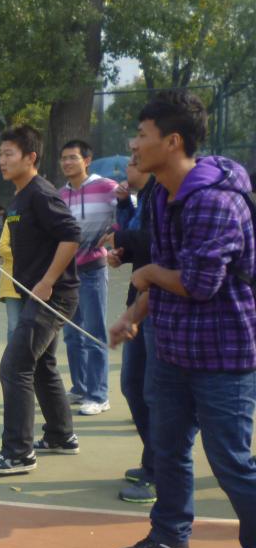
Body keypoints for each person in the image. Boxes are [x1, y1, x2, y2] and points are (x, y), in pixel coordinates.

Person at [109, 90, 256, 548]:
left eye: (142, 135)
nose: (134, 144)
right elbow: (172, 275)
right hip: (173, 350)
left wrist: (147, 273)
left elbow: (198, 283)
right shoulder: (162, 195)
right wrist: (132, 316)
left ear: (172, 142)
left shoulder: (213, 200)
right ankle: (170, 534)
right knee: (167, 448)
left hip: (223, 356)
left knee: (232, 463)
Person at [0, 125, 81, 476]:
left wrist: (47, 281)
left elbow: (71, 235)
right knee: (42, 365)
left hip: (52, 298)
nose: (2, 160)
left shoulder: (40, 193)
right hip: (33, 296)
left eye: (8, 154)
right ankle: (61, 435)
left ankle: (18, 453)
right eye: (0, 154)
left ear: (31, 157)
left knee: (14, 367)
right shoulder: (19, 196)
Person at [102, 160, 157, 503]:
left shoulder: (171, 193)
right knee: (134, 384)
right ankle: (154, 462)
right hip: (140, 303)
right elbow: (141, 241)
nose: (128, 168)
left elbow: (156, 244)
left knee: (155, 393)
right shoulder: (148, 195)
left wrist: (121, 239)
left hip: (160, 307)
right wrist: (122, 253)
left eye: (135, 159)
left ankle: (160, 470)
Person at [58, 140, 118, 415]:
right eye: (64, 158)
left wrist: (114, 235)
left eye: (73, 157)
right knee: (72, 335)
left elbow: (128, 212)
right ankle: (81, 388)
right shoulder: (60, 195)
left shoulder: (106, 187)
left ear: (87, 160)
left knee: (94, 333)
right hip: (67, 274)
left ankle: (99, 395)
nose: (67, 163)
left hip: (93, 270)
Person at [0, 212, 21, 341]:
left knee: (33, 326)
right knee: (14, 326)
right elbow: (3, 248)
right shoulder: (11, 219)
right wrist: (26, 255)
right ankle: (12, 354)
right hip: (11, 283)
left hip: (35, 284)